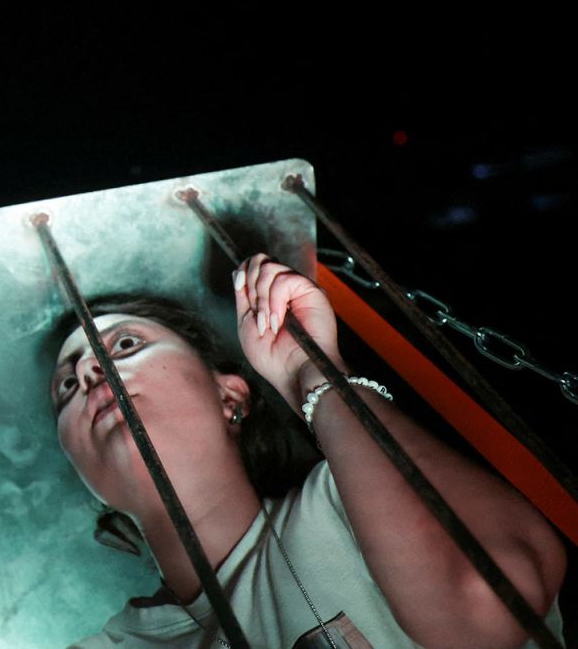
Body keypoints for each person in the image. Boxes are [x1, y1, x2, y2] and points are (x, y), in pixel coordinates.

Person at [48, 254, 566, 648]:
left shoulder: (353, 504)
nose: (89, 373)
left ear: (230, 395)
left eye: (124, 346)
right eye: (66, 387)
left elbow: (488, 602)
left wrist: (310, 371)